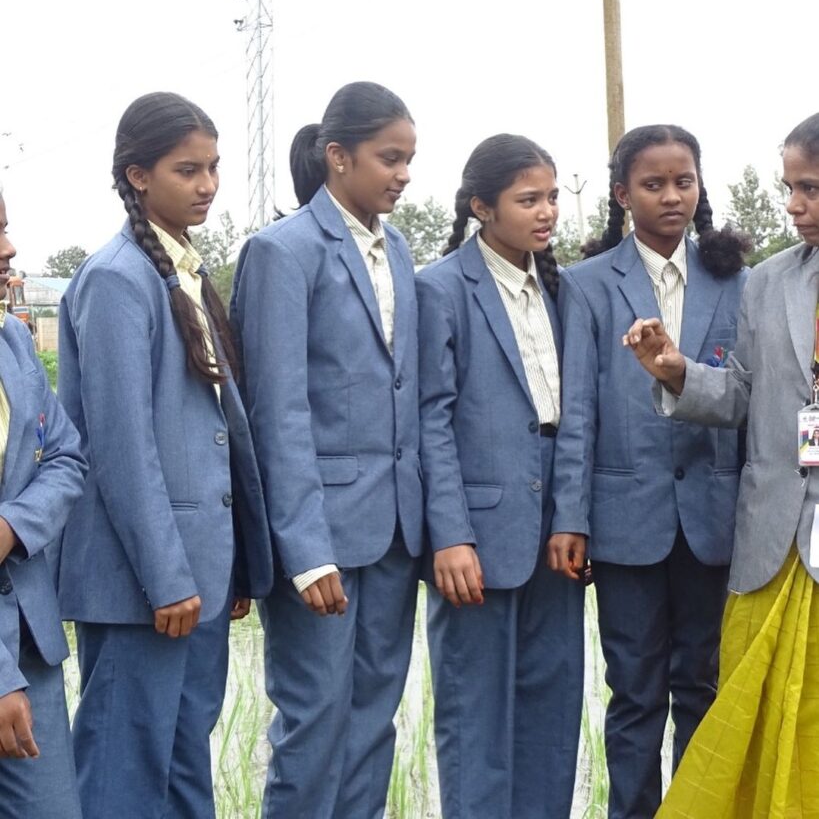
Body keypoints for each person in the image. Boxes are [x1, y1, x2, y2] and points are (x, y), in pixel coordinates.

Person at [57, 92, 273, 818]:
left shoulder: (183, 270)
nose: (207, 185)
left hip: (198, 575)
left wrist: (230, 560)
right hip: (144, 585)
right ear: (138, 175)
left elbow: (213, 436)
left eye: (213, 168)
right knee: (123, 771)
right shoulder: (117, 279)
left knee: (185, 764)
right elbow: (121, 449)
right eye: (188, 170)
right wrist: (166, 577)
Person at [232, 80, 424, 818]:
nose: (403, 174)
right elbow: (276, 411)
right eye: (389, 158)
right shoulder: (282, 252)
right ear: (337, 157)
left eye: (408, 159)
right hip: (321, 544)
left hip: (393, 532)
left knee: (374, 718)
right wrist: (305, 550)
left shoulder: (398, 249)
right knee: (313, 721)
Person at [625, 111, 819, 818]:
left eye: (809, 189)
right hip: (772, 546)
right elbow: (738, 391)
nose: (793, 205)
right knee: (754, 723)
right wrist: (674, 372)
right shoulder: (768, 282)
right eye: (788, 188)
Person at [559, 124, 748, 819]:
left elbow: (748, 405)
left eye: (683, 182)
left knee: (701, 683)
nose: (670, 196)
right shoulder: (583, 287)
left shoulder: (737, 282)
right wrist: (572, 517)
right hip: (624, 521)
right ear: (621, 195)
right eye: (652, 184)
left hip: (713, 521)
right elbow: (576, 410)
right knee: (635, 690)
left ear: (699, 188)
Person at [416, 134, 585, 818]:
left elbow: (578, 412)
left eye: (549, 198)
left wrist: (572, 513)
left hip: (554, 528)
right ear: (482, 206)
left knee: (552, 710)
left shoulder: (559, 287)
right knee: (474, 712)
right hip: (478, 532)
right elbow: (430, 419)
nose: (545, 213)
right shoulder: (441, 289)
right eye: (527, 200)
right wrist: (449, 535)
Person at [0, 192, 86, 819]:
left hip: (31, 637)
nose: (8, 249)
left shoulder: (14, 344)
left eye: (4, 228)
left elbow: (64, 457)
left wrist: (12, 523)